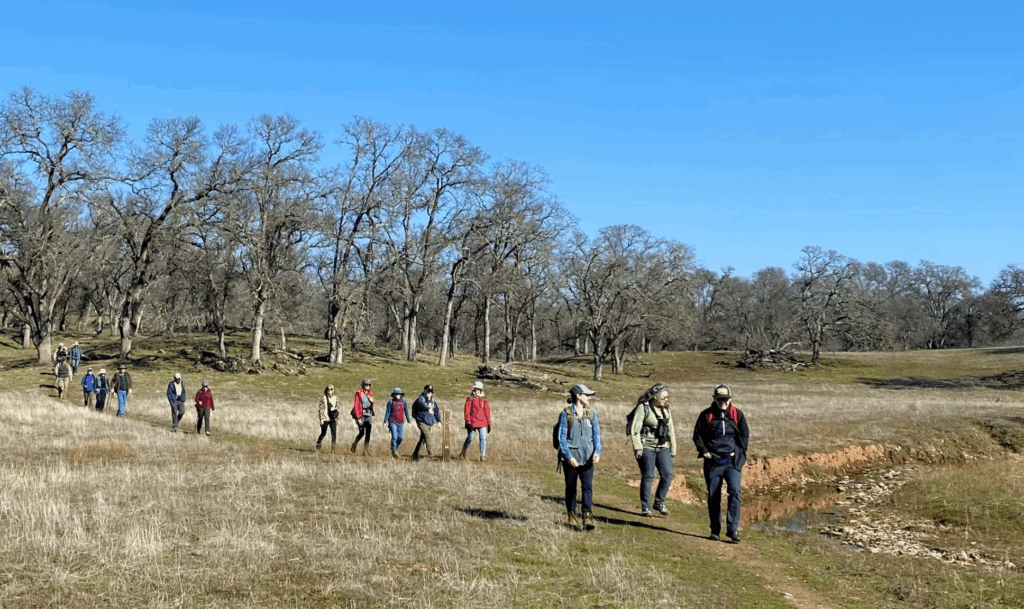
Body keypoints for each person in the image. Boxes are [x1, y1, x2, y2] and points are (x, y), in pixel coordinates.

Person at [693, 384, 750, 543]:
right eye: (719, 399)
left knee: (735, 492)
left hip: (732, 461)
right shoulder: (706, 415)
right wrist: (704, 450)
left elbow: (745, 434)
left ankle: (733, 529)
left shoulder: (737, 414)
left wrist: (741, 452)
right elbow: (697, 436)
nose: (723, 402)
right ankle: (715, 530)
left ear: (730, 398)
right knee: (713, 496)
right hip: (713, 462)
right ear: (714, 398)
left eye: (725, 399)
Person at [557, 384, 602, 531]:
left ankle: (587, 516)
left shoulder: (591, 414)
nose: (589, 397)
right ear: (578, 396)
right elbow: (561, 438)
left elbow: (596, 436)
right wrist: (568, 456)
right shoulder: (566, 414)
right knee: (571, 488)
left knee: (587, 487)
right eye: (586, 395)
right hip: (571, 459)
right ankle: (571, 516)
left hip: (588, 457)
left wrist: (597, 451)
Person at [628, 382, 677, 518]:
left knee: (667, 475)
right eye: (663, 397)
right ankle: (646, 507)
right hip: (646, 447)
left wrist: (673, 448)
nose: (666, 400)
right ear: (655, 396)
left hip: (663, 447)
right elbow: (635, 429)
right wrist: (637, 446)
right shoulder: (643, 408)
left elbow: (671, 429)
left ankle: (659, 502)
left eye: (667, 398)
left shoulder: (666, 409)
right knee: (648, 476)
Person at [460, 381, 491, 461]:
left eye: (478, 389)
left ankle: (482, 456)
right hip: (472, 423)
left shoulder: (484, 399)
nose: (476, 390)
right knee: (470, 438)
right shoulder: (470, 399)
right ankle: (463, 452)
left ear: (481, 390)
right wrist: (468, 421)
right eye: (475, 388)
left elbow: (487, 412)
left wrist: (489, 423)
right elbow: (467, 411)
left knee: (483, 438)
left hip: (483, 422)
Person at [411, 384, 441, 461]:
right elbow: (422, 405)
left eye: (431, 392)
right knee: (428, 437)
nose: (429, 393)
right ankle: (430, 453)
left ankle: (415, 455)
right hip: (421, 422)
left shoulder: (433, 401)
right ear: (424, 391)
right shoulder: (420, 399)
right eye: (428, 392)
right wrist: (428, 408)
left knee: (423, 439)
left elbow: (436, 411)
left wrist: (439, 421)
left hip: (429, 422)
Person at [383, 388, 410, 459]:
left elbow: (406, 412)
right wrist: (385, 422)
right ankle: (394, 450)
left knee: (400, 438)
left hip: (401, 422)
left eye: (399, 394)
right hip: (392, 421)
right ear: (394, 395)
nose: (398, 396)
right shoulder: (391, 402)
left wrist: (409, 421)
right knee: (394, 437)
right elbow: (388, 412)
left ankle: (395, 448)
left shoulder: (404, 402)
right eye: (396, 394)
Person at [350, 379, 375, 455]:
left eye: (369, 385)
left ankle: (365, 450)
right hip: (361, 415)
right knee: (362, 432)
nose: (367, 386)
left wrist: (372, 401)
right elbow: (356, 405)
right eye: (366, 385)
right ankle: (354, 444)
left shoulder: (370, 393)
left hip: (369, 415)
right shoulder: (359, 393)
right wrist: (358, 418)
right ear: (363, 385)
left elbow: (371, 405)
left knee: (368, 433)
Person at [316, 384, 340, 453]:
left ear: (333, 390)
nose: (329, 391)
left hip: (333, 418)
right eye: (328, 389)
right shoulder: (323, 398)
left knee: (334, 433)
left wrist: (337, 418)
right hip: (325, 418)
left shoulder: (335, 398)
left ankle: (333, 448)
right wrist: (321, 419)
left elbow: (338, 409)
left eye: (331, 389)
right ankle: (318, 443)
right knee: (323, 433)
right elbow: (321, 409)